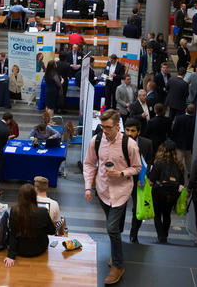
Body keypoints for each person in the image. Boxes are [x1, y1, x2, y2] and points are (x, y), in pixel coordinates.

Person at [83, 109, 141, 284]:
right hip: (102, 191)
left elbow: (137, 168)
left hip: (121, 192)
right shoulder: (97, 140)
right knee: (115, 226)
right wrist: (87, 187)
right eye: (103, 126)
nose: (105, 131)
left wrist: (121, 173)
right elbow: (89, 164)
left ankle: (118, 264)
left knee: (112, 228)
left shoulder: (130, 145)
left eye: (108, 127)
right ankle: (116, 251)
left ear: (118, 126)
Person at [4, 184, 56, 267]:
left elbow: (12, 234)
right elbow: (52, 231)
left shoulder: (14, 211)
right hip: (39, 249)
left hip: (20, 250)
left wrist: (11, 255)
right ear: (34, 196)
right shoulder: (43, 212)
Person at [148, 139, 185, 244]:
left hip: (159, 192)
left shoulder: (159, 163)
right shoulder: (179, 164)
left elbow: (151, 181)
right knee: (167, 214)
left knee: (157, 214)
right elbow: (182, 182)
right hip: (173, 193)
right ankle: (165, 234)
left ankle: (161, 235)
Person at [123, 118, 153, 243]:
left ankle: (134, 233)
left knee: (138, 208)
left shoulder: (147, 143)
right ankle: (117, 231)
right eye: (127, 130)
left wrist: (147, 178)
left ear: (138, 132)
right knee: (120, 207)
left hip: (139, 180)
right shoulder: (120, 142)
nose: (129, 133)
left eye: (133, 131)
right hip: (123, 179)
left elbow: (149, 161)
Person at [171, 104, 196, 181]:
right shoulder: (195, 120)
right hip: (189, 145)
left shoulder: (179, 118)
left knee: (178, 160)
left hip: (179, 144)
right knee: (189, 161)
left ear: (186, 109)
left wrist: (173, 141)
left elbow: (174, 131)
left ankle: (176, 174)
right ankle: (189, 174)